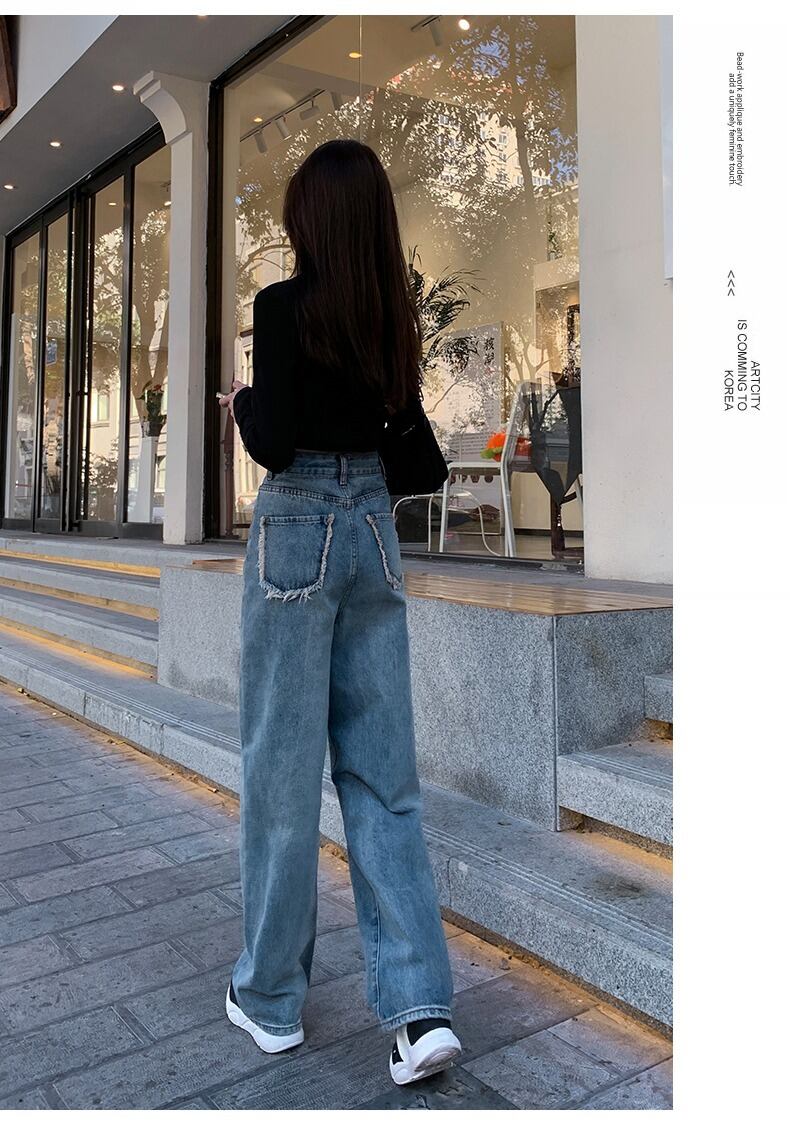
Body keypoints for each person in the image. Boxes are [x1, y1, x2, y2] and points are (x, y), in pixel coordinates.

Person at [218, 139, 461, 1086]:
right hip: (369, 528)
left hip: (295, 530)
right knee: (383, 776)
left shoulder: (283, 307)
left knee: (280, 767)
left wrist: (242, 403)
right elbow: (421, 466)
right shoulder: (387, 318)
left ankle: (271, 999)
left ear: (311, 221)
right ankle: (418, 1011)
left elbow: (275, 441)